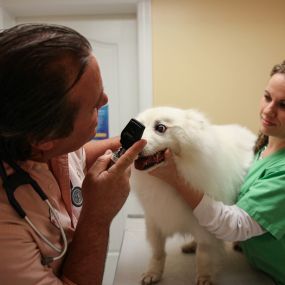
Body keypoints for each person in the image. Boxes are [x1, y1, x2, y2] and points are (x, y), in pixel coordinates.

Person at [0, 23, 146, 285]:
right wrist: (97, 217)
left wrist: (144, 145)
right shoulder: (5, 234)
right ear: (45, 139)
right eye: (93, 106)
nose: (105, 101)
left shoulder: (44, 147)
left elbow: (79, 155)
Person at [150, 61, 285, 285]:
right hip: (254, 265)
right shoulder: (262, 146)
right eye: (267, 97)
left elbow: (235, 226)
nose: (268, 110)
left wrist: (175, 179)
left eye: (284, 104)